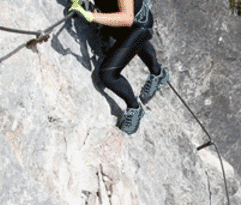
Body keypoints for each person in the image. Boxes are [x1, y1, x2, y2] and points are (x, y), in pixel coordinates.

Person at [68, 0, 169, 134]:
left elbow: (126, 18)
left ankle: (134, 108)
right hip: (125, 23)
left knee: (107, 74)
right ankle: (158, 73)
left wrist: (91, 16)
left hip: (137, 25)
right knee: (132, 40)